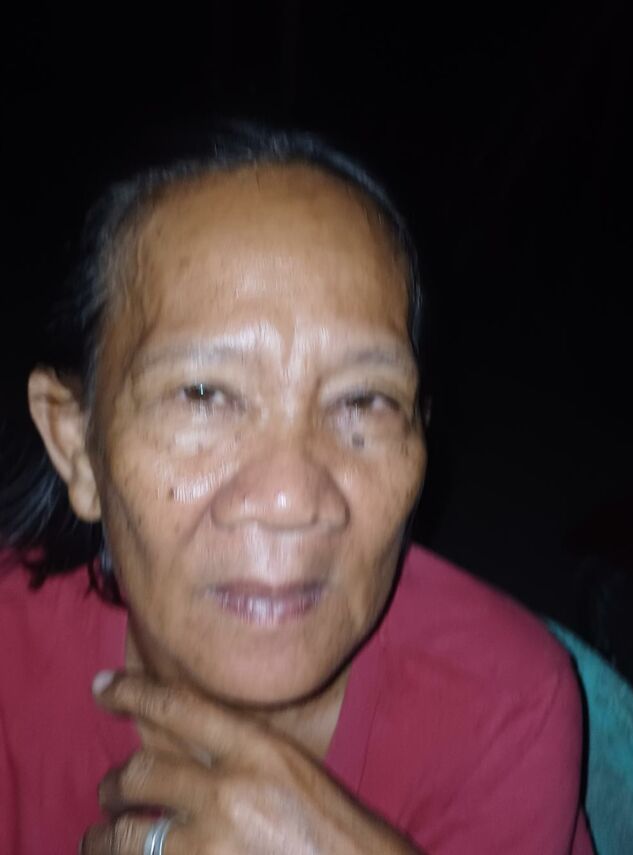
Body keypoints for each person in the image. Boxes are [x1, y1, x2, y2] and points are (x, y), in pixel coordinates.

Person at [0, 124, 594, 854]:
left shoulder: (505, 708)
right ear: (77, 447)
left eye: (364, 401)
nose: (291, 499)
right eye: (202, 394)